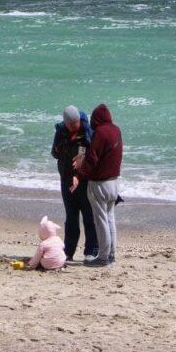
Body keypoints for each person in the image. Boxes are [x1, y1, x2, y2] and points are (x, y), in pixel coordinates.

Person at [72, 104, 122, 267]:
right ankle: (111, 255)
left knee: (101, 221)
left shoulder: (100, 133)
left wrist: (79, 176)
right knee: (110, 219)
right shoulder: (116, 130)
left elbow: (93, 159)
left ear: (96, 119)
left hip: (99, 184)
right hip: (114, 182)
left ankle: (103, 257)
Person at [51, 105, 98, 261]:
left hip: (84, 181)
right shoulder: (61, 131)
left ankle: (91, 251)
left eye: (76, 123)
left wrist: (83, 156)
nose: (74, 126)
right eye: (70, 124)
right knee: (71, 218)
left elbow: (95, 154)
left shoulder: (87, 131)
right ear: (65, 123)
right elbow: (54, 153)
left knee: (88, 217)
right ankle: (68, 252)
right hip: (66, 180)